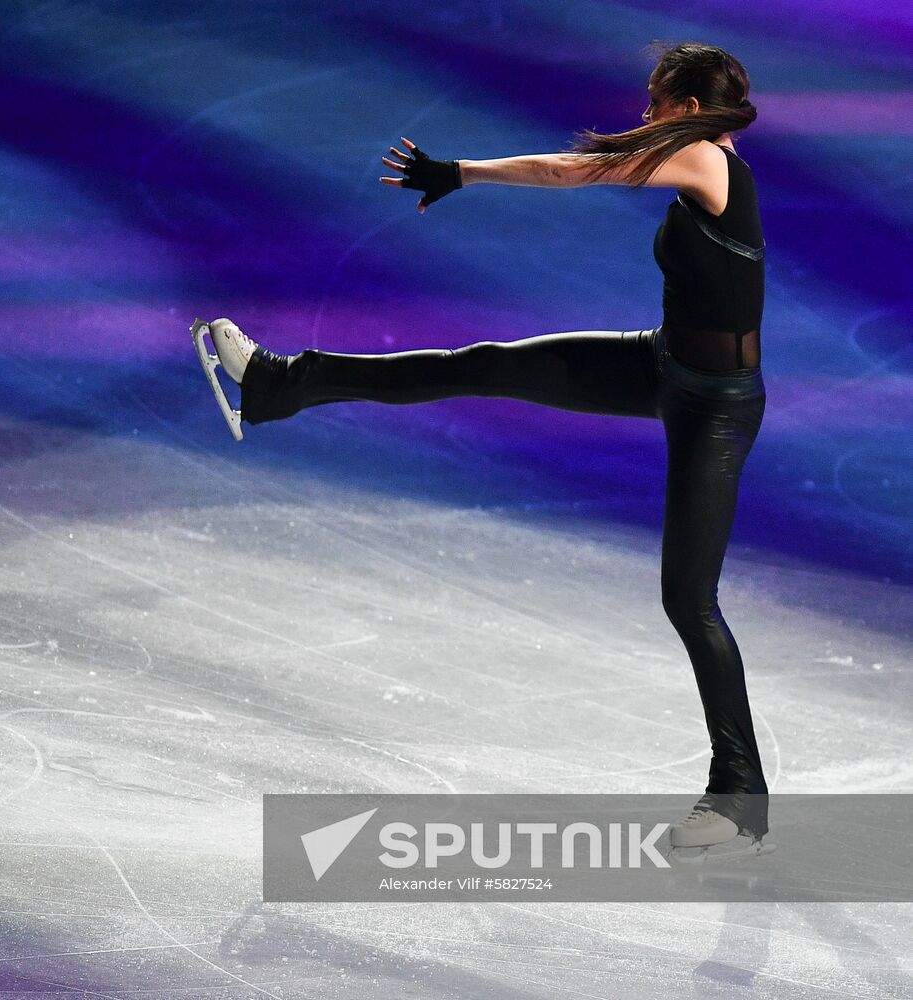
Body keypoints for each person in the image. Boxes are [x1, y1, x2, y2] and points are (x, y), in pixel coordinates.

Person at [193, 41, 773, 861]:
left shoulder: (705, 161)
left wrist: (462, 170)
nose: (644, 112)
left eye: (653, 99)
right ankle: (280, 385)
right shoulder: (692, 158)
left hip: (716, 406)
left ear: (684, 105)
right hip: (658, 363)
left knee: (689, 599)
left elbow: (569, 174)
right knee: (485, 364)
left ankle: (740, 797)